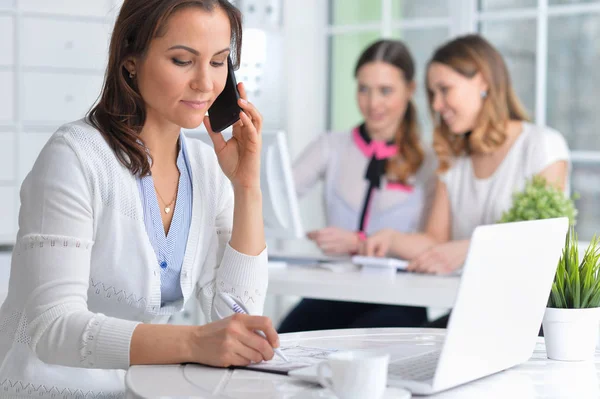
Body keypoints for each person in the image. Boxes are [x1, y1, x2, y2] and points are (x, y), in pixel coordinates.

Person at [0, 0, 279, 396]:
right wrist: (193, 342)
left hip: (140, 390)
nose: (205, 82)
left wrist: (246, 186)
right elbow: (53, 328)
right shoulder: (75, 156)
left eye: (219, 62)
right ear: (131, 59)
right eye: (183, 60)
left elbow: (238, 318)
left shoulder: (206, 166)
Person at [362, 34, 570, 278]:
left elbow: (541, 241)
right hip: (466, 300)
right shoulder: (454, 159)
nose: (437, 105)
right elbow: (435, 241)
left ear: (483, 82)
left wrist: (470, 248)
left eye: (444, 90)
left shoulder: (541, 146)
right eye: (432, 94)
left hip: (525, 308)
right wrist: (390, 238)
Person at [278, 39, 437, 333]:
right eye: (363, 89)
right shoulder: (330, 147)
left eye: (385, 91)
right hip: (333, 293)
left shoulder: (430, 161)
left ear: (410, 90)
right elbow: (275, 199)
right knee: (278, 343)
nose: (373, 103)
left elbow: (433, 244)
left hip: (399, 299)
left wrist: (358, 242)